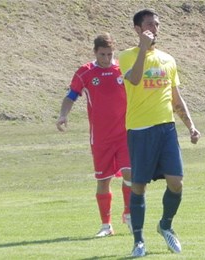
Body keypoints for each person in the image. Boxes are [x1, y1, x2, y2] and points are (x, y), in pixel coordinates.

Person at [118, 9, 201, 257]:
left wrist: (191, 126)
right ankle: (139, 241)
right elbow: (133, 79)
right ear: (136, 29)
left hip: (166, 129)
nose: (154, 29)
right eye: (148, 25)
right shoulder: (126, 56)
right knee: (139, 186)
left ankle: (165, 225)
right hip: (140, 129)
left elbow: (176, 98)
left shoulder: (168, 59)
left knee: (176, 183)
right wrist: (143, 48)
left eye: (156, 24)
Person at [56, 33, 132, 237]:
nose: (107, 59)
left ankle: (129, 213)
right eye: (102, 55)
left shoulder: (122, 69)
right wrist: (63, 115)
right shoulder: (85, 73)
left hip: (125, 134)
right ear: (95, 52)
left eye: (110, 54)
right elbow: (71, 96)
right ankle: (106, 226)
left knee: (129, 174)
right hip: (100, 138)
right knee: (103, 180)